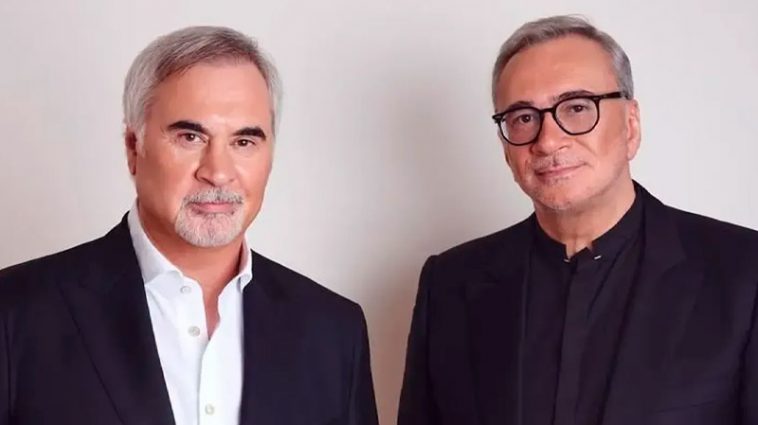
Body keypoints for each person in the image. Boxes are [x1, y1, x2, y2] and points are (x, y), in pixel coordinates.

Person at [0, 26, 378, 425]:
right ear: (133, 148)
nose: (218, 172)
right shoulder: (15, 312)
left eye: (244, 142)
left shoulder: (333, 331)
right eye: (190, 137)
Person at [399, 15, 758, 425]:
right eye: (523, 117)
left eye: (576, 108)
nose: (548, 140)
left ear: (631, 126)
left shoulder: (743, 274)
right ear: (505, 147)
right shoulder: (448, 285)